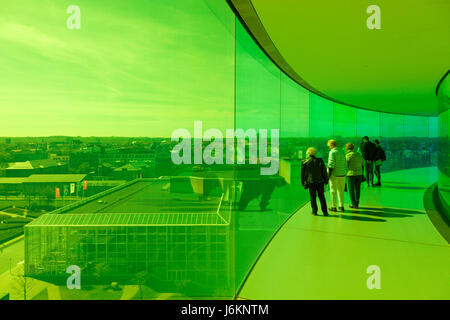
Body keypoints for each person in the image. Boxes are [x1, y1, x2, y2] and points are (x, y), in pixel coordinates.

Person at [301, 147, 329, 216]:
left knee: (313, 197)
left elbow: (302, 174)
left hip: (311, 182)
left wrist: (303, 183)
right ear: (315, 153)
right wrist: (326, 180)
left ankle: (314, 211)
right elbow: (324, 171)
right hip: (320, 181)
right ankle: (325, 212)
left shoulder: (304, 162)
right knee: (321, 196)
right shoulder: (320, 160)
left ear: (307, 153)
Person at [327, 140, 347, 212]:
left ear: (332, 145)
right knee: (341, 191)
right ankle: (341, 206)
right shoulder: (342, 151)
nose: (329, 147)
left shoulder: (332, 152)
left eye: (329, 146)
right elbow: (345, 162)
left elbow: (331, 164)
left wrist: (328, 175)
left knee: (333, 191)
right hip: (342, 174)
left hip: (334, 174)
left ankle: (333, 206)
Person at [345, 143, 364, 209]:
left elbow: (346, 166)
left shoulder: (348, 156)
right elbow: (362, 163)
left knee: (351, 189)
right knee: (357, 189)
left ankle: (353, 204)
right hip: (359, 174)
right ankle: (357, 202)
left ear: (346, 148)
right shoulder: (359, 154)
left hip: (351, 174)